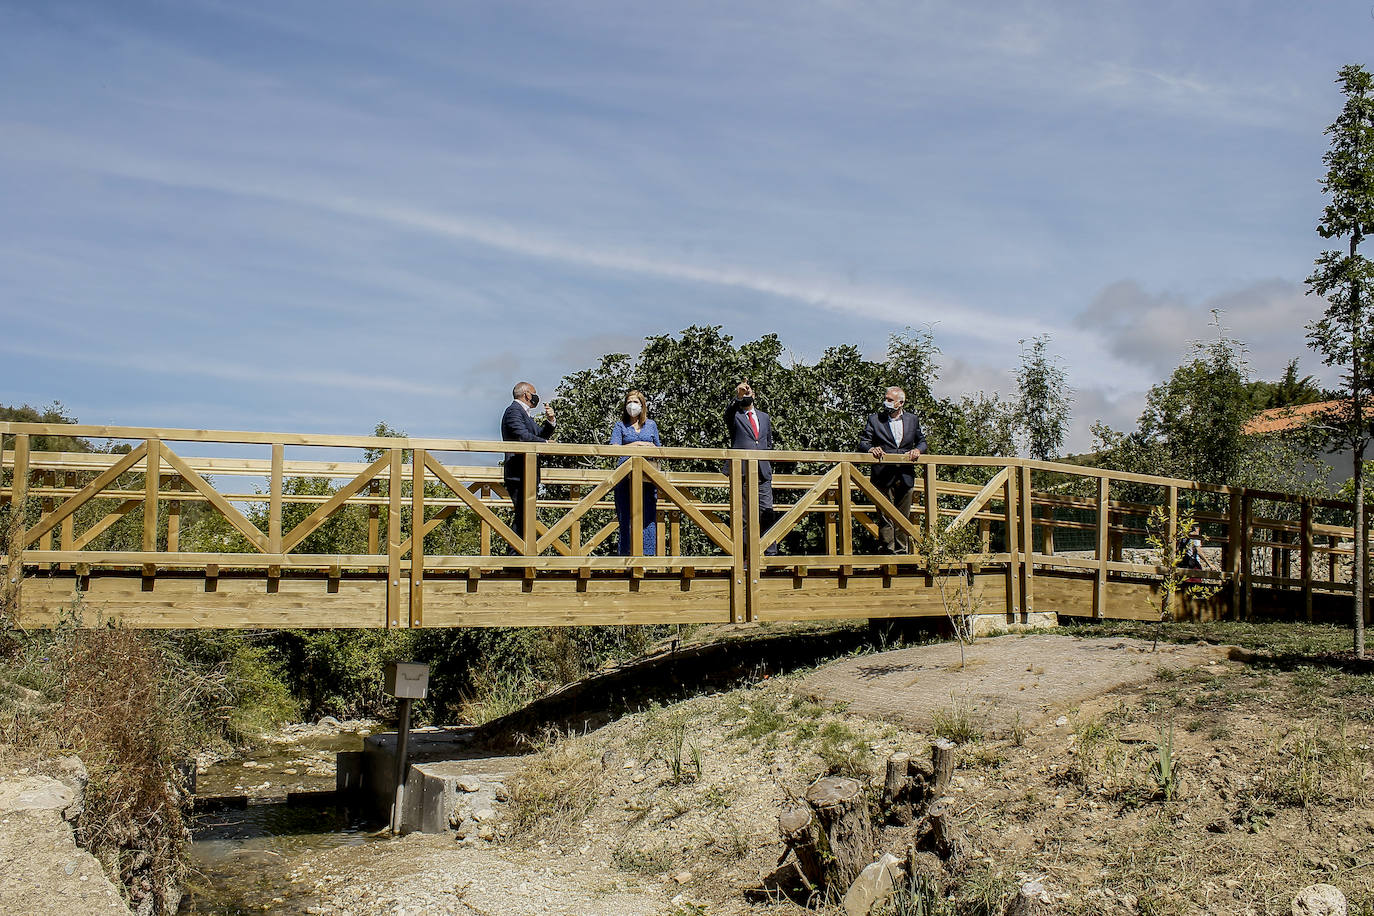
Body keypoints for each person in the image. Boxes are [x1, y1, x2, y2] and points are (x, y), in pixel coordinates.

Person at [857, 386, 927, 554]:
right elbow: (863, 442)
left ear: (900, 403)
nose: (886, 402)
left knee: (903, 516)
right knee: (885, 516)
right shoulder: (875, 419)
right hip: (882, 474)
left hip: (905, 474)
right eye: (886, 398)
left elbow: (922, 441)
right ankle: (887, 553)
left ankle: (902, 553)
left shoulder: (912, 419)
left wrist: (918, 450)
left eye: (890, 400)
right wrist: (871, 449)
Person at [723, 380, 778, 556]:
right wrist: (738, 396)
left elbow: (767, 443)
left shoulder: (764, 417)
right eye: (743, 393)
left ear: (754, 395)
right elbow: (728, 413)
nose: (746, 394)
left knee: (767, 512)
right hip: (742, 471)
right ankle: (745, 556)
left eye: (749, 392)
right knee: (744, 516)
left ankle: (770, 554)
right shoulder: (735, 415)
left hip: (762, 470)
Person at [501, 381, 556, 541]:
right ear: (527, 394)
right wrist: (545, 443)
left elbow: (538, 435)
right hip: (518, 473)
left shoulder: (524, 414)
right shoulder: (514, 411)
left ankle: (519, 554)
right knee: (522, 517)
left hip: (527, 472)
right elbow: (522, 436)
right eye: (534, 393)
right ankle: (516, 555)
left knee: (525, 517)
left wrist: (550, 420)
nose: (536, 397)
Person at [610, 390, 663, 555]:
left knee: (648, 515)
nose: (632, 405)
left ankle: (647, 556)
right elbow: (614, 448)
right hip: (624, 475)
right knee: (625, 516)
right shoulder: (620, 425)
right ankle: (626, 556)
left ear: (642, 405)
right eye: (629, 402)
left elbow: (659, 449)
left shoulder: (651, 425)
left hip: (647, 476)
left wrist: (650, 447)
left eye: (636, 402)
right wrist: (638, 445)